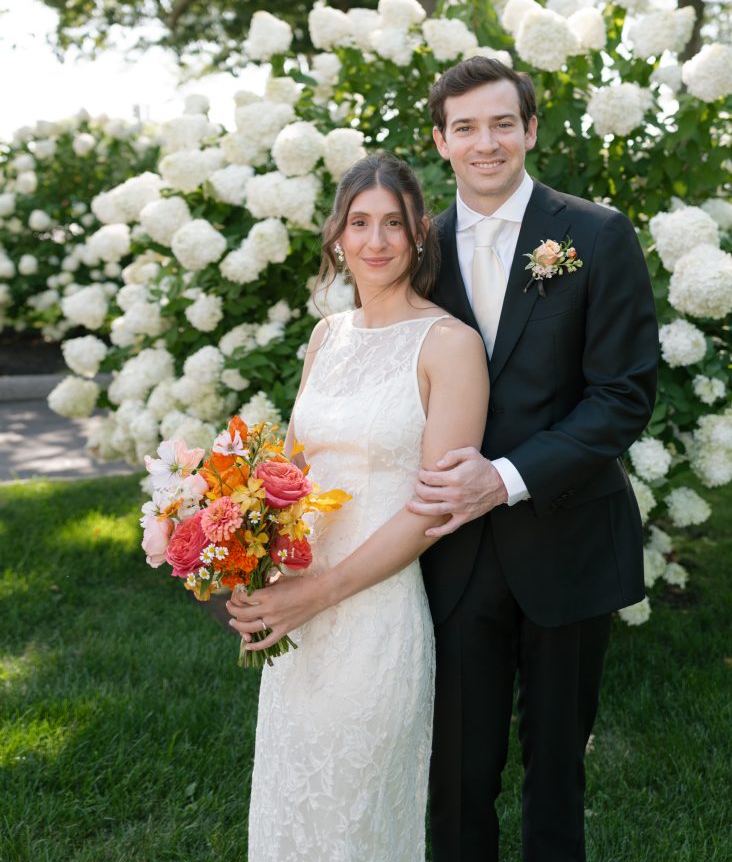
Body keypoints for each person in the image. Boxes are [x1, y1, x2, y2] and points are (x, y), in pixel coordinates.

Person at [230, 57, 659, 862]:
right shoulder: (421, 246)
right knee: (456, 779)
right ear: (443, 140)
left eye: (503, 123)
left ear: (530, 129)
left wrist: (505, 476)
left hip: (565, 538)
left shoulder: (594, 235)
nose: (486, 142)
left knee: (557, 772)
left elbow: (625, 395)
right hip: (449, 562)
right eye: (466, 128)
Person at [230, 151, 489, 862]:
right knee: (291, 809)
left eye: (393, 225)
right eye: (360, 223)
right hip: (297, 621)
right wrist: (244, 557)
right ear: (337, 236)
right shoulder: (326, 338)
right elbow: (287, 477)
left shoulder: (450, 345)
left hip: (374, 618)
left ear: (418, 235)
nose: (376, 242)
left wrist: (316, 592)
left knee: (354, 825)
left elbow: (435, 508)